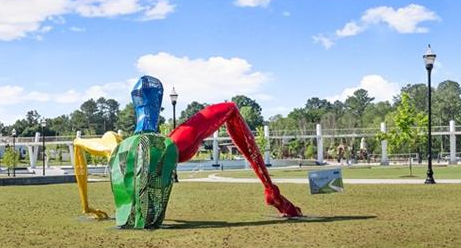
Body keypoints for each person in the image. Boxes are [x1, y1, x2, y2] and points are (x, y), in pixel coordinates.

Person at [74, 75, 301, 229]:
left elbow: (78, 144)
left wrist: (86, 206)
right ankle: (271, 191)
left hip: (146, 143)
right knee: (230, 108)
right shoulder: (125, 144)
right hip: (168, 145)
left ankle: (272, 192)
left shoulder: (115, 144)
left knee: (230, 108)